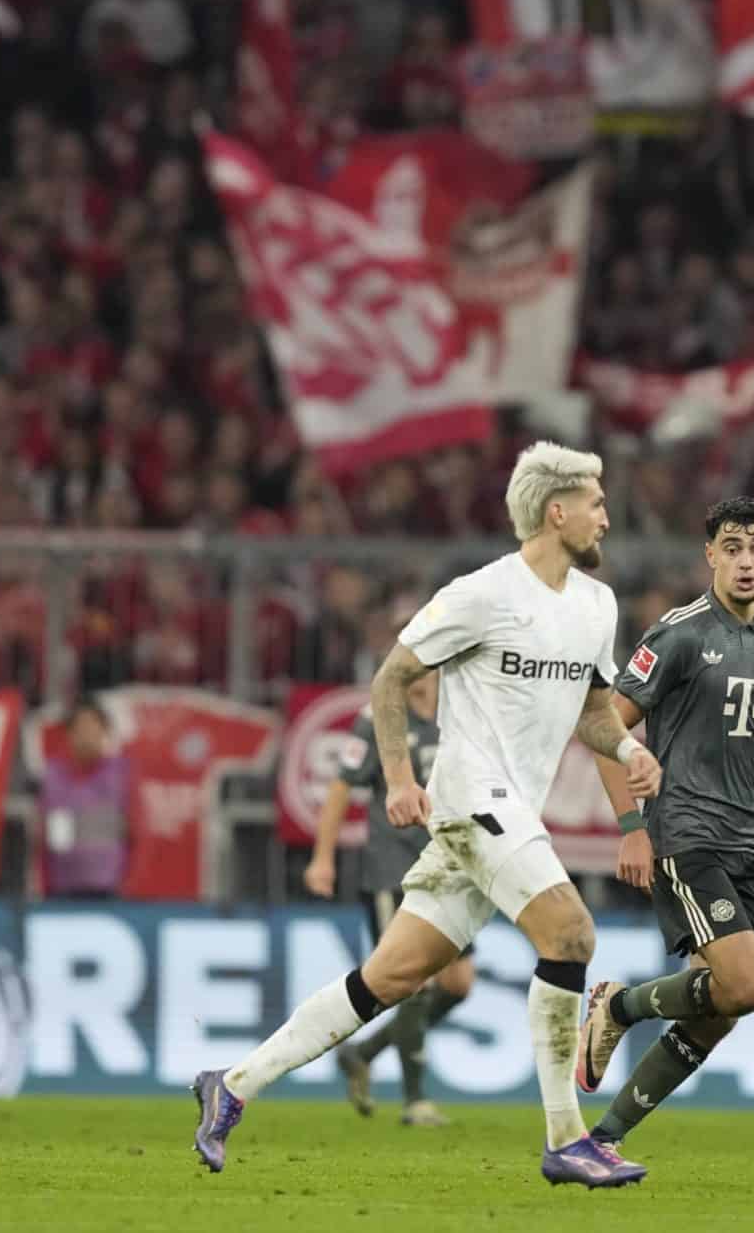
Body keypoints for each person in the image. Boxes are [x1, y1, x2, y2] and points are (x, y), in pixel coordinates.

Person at [193, 442, 662, 1188]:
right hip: (474, 797)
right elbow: (391, 678)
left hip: (503, 813)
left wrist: (630, 749)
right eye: (596, 503)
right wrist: (400, 778)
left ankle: (233, 1082)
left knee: (387, 975)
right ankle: (565, 1137)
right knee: (571, 930)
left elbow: (595, 713)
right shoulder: (482, 593)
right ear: (556, 510)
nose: (607, 517)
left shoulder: (596, 605)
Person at [576, 497, 754, 1151]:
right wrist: (631, 825)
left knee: (722, 1011)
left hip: (745, 843)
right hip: (683, 832)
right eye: (731, 546)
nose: (745, 560)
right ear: (710, 554)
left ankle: (603, 1139)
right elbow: (600, 728)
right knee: (748, 983)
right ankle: (618, 1007)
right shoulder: (677, 633)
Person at [305, 667, 474, 1127]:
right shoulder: (380, 717)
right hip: (393, 870)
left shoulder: (461, 711)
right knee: (412, 983)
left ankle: (363, 1052)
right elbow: (342, 786)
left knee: (458, 984)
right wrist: (323, 857)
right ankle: (415, 1100)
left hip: (448, 867)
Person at [38, 698, 130, 899]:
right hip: (62, 892)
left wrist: (129, 889)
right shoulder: (53, 777)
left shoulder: (122, 775)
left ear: (105, 733)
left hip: (110, 893)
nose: (87, 736)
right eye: (81, 729)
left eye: (93, 729)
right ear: (69, 734)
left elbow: (137, 834)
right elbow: (48, 840)